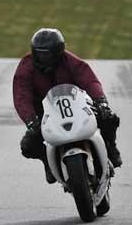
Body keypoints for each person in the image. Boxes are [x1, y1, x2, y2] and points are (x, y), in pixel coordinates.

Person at [12, 28, 122, 184]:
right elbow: (21, 96)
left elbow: (89, 79)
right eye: (40, 53)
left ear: (58, 52)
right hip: (44, 113)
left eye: (48, 54)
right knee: (28, 146)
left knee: (109, 118)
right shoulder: (26, 67)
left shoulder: (70, 61)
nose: (44, 58)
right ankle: (47, 161)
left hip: (76, 104)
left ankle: (111, 148)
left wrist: (101, 100)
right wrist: (30, 119)